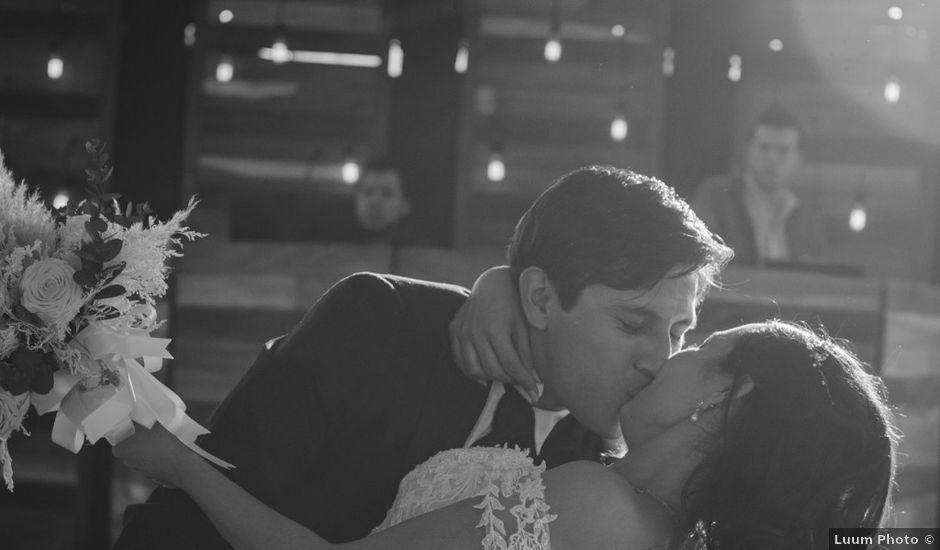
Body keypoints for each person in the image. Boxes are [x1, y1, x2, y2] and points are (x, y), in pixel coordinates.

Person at [113, 166, 731, 549]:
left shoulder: (617, 466)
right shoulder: (384, 322)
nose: (659, 358)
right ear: (541, 296)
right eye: (633, 323)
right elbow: (208, 496)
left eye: (679, 332)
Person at [115, 320, 899, 549]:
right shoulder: (653, 523)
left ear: (728, 403)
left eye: (701, 348)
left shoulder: (595, 504)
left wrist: (184, 467)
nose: (670, 353)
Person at [691, 104, 825, 267]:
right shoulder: (718, 195)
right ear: (748, 151)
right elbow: (699, 256)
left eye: (783, 151)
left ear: (799, 160)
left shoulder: (808, 216)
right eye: (764, 148)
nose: (772, 159)